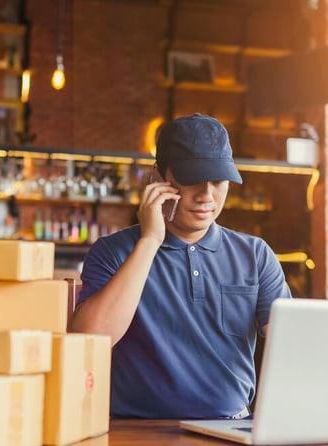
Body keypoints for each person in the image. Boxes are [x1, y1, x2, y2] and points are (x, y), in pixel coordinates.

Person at [68, 113, 292, 419]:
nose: (206, 195)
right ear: (159, 179)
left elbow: (293, 346)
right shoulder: (113, 252)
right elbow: (87, 339)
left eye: (218, 181)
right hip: (137, 431)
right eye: (192, 179)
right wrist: (149, 241)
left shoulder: (255, 254)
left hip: (230, 428)